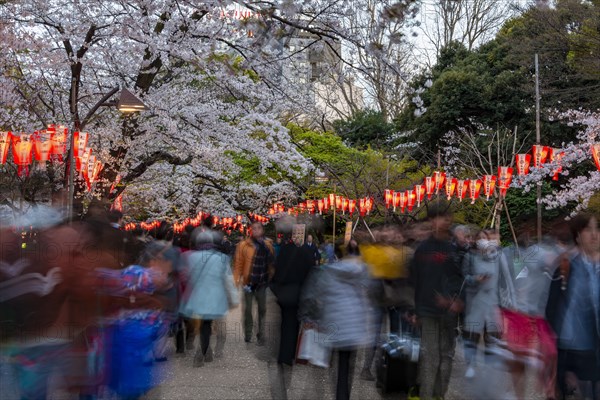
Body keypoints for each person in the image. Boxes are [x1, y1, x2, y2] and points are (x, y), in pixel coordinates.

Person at [300, 241, 373, 400]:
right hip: (352, 326)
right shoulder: (363, 271)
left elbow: (314, 296)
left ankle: (328, 394)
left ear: (337, 254)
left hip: (332, 324)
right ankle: (343, 395)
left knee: (327, 363)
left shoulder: (328, 271)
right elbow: (370, 298)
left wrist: (310, 318)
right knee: (347, 366)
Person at [410, 203, 463, 400]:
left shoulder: (454, 249)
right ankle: (425, 395)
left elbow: (460, 278)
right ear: (432, 220)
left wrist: (456, 299)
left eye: (448, 216)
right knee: (429, 356)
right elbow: (415, 280)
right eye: (441, 216)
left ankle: (439, 394)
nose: (446, 220)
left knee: (447, 357)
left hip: (449, 313)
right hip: (427, 312)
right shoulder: (422, 250)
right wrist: (415, 311)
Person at [546, 213, 600, 400]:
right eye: (588, 229)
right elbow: (551, 309)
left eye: (597, 229)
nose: (594, 234)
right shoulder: (565, 267)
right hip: (569, 348)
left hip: (593, 350)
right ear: (577, 236)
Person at [179, 229, 239, 367]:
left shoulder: (190, 256)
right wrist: (234, 298)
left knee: (202, 325)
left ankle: (205, 351)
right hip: (215, 298)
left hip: (198, 297)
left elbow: (186, 277)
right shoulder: (222, 258)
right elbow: (228, 280)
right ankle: (205, 352)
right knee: (208, 325)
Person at [461, 229, 515, 379]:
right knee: (472, 335)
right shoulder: (469, 257)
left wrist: (508, 300)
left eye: (485, 238)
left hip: (493, 301)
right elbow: (464, 277)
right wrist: (474, 279)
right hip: (475, 300)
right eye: (480, 238)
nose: (483, 241)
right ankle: (470, 364)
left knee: (491, 336)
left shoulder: (497, 257)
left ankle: (488, 366)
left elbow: (505, 279)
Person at [269, 231, 314, 399]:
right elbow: (310, 273)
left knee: (284, 324)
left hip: (284, 295)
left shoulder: (284, 252)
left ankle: (283, 354)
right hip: (296, 295)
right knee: (293, 325)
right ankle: (289, 355)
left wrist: (277, 290)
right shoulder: (304, 253)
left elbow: (275, 273)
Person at [233, 222, 275, 345]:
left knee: (262, 309)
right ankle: (248, 333)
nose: (256, 231)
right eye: (254, 229)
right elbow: (238, 263)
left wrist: (272, 276)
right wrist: (236, 279)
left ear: (262, 230)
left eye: (258, 228)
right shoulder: (243, 245)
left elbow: (271, 263)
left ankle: (261, 333)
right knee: (248, 309)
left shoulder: (267, 245)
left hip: (262, 281)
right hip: (248, 282)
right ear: (250, 231)